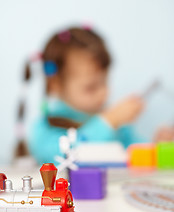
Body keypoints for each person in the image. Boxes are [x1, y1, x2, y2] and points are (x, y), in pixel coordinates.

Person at [26, 27, 171, 165]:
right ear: (55, 84)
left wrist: (157, 146)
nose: (103, 92)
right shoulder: (46, 126)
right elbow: (65, 155)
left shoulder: (118, 126)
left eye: (105, 82)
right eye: (91, 87)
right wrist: (109, 121)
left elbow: (135, 153)